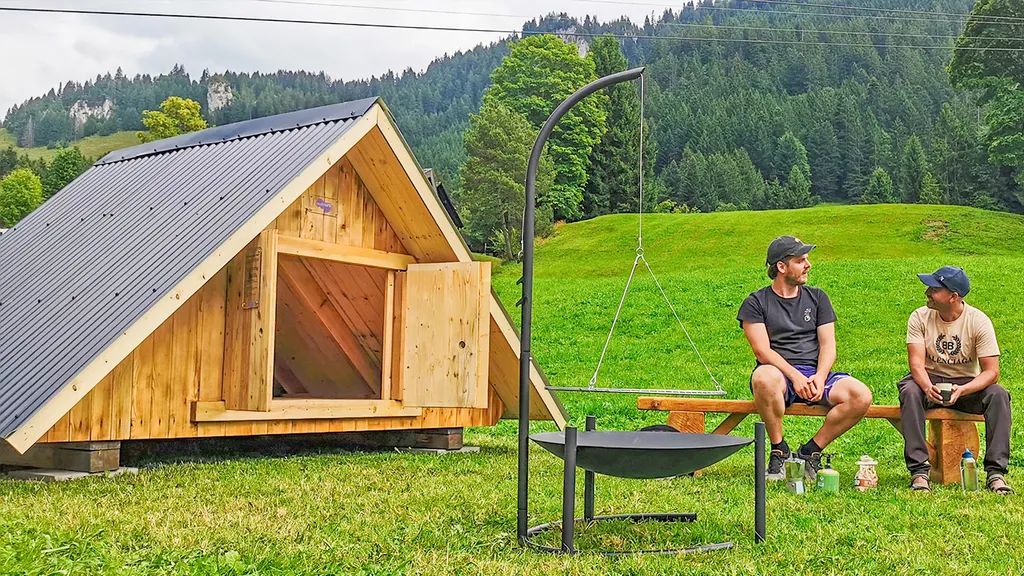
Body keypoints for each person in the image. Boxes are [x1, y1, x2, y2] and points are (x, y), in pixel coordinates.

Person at [738, 236, 872, 481]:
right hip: (779, 375)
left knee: (861, 395)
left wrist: (819, 377)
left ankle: (810, 451)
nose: (808, 265)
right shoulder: (756, 302)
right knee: (763, 377)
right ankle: (779, 449)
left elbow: (828, 345)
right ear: (781, 267)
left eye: (807, 259)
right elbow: (762, 352)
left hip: (815, 372)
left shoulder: (818, 298)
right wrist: (795, 376)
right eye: (800, 261)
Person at [899, 266, 1012, 494]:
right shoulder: (919, 316)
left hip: (965, 384)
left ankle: (996, 474)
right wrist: (926, 386)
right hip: (928, 380)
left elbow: (992, 372)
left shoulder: (978, 321)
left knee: (999, 395)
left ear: (953, 297)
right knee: (910, 390)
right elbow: (916, 364)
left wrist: (963, 389)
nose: (927, 292)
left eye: (934, 288)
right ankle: (920, 472)